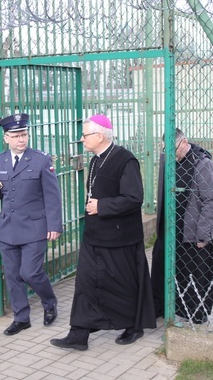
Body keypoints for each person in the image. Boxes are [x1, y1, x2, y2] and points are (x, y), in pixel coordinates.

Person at [50, 114, 156, 351]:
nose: (81, 139)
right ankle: (78, 334)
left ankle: (133, 326)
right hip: (94, 236)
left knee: (123, 284)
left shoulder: (125, 160)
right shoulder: (97, 159)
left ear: (99, 136)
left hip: (119, 238)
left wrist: (102, 206)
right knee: (86, 282)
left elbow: (134, 198)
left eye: (85, 135)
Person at [0, 113, 63, 336]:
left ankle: (49, 302)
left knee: (31, 272)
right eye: (15, 136)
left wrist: (54, 225)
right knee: (13, 275)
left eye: (24, 134)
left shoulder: (41, 160)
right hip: (8, 229)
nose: (21, 139)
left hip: (35, 228)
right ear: (6, 138)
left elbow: (52, 196)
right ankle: (21, 317)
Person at [151, 128, 213, 324]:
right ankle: (161, 306)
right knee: (160, 267)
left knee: (194, 273)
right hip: (168, 229)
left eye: (174, 149)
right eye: (167, 149)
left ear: (185, 142)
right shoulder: (167, 160)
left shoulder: (202, 164)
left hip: (191, 232)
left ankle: (195, 311)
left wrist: (203, 234)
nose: (171, 154)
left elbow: (210, 201)